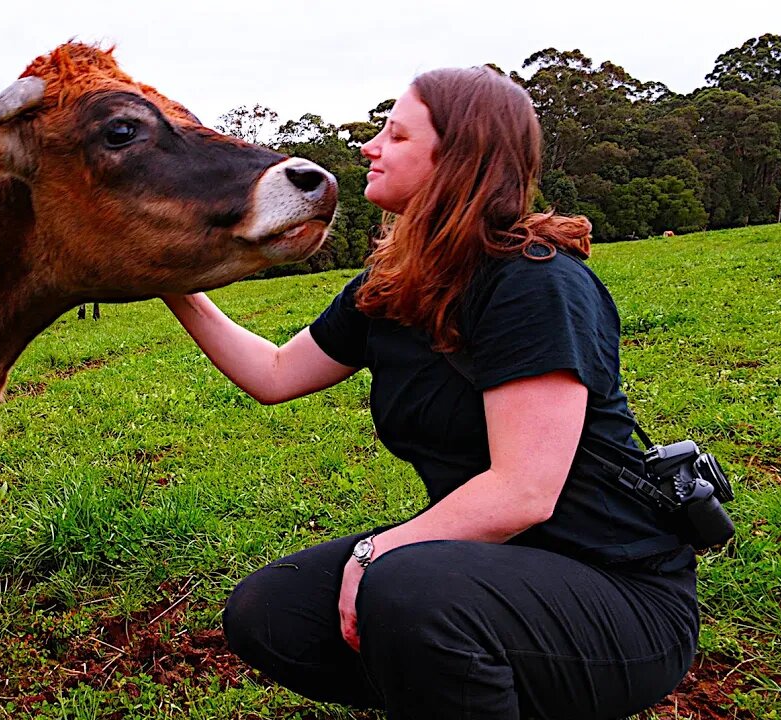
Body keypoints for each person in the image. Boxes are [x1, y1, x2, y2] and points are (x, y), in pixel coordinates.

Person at [162, 67, 697, 720]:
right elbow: (274, 374)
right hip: (488, 573)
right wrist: (171, 277)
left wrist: (376, 551)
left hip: (618, 593)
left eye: (395, 133)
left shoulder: (533, 286)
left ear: (457, 159)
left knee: (403, 588)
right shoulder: (391, 288)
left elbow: (523, 489)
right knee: (269, 614)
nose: (369, 147)